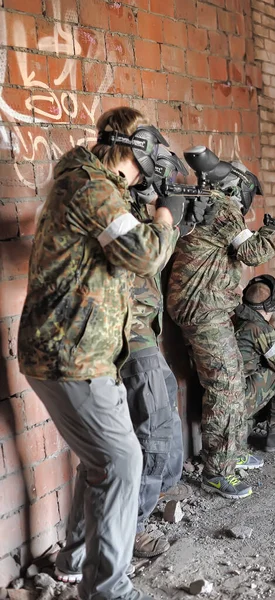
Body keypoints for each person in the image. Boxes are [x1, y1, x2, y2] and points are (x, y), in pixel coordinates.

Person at [18, 106, 181, 600]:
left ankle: (76, 559)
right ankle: (109, 590)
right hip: (70, 356)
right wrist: (167, 218)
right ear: (134, 150)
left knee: (103, 461)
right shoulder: (93, 189)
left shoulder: (90, 183)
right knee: (121, 461)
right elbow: (144, 255)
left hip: (76, 351)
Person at [167, 154, 275, 500]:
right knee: (227, 386)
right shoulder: (223, 208)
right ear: (238, 187)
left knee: (227, 380)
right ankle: (217, 471)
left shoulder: (211, 204)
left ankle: (228, 453)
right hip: (203, 309)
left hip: (204, 306)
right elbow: (253, 252)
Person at [123, 148, 196, 560]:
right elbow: (147, 253)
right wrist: (164, 214)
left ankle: (164, 485)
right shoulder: (115, 207)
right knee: (151, 431)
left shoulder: (129, 206)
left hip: (144, 331)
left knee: (165, 406)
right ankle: (132, 528)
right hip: (129, 333)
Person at [234, 275, 275, 452]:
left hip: (229, 396)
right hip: (239, 400)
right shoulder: (258, 328)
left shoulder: (238, 317)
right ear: (270, 305)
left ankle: (250, 426)